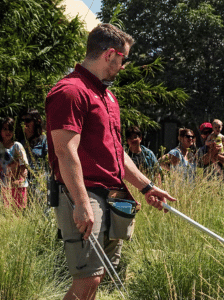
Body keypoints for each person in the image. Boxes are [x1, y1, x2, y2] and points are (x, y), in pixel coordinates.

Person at [46, 23, 177, 300]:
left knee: (99, 275)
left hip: (114, 193)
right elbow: (65, 152)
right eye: (123, 59)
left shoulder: (107, 96)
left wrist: (146, 187)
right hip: (84, 193)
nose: (123, 66)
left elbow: (116, 152)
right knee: (88, 277)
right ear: (109, 54)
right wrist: (81, 203)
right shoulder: (70, 91)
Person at [0, 117, 29, 208]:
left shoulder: (17, 146)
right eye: (5, 129)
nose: (8, 132)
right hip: (2, 185)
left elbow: (24, 165)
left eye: (10, 129)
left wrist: (19, 180)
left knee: (18, 212)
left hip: (18, 185)